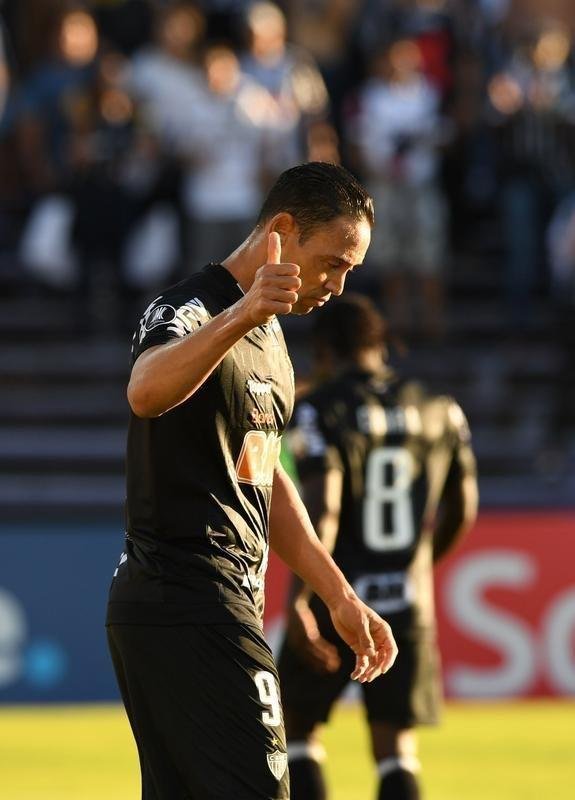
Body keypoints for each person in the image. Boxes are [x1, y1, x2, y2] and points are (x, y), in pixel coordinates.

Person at [106, 162, 398, 800]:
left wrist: (337, 596)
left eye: (350, 270)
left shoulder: (272, 341)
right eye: (332, 262)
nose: (338, 286)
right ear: (284, 230)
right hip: (182, 594)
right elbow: (145, 391)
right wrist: (241, 315)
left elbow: (263, 482)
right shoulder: (190, 306)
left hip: (219, 599)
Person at [277, 293, 478, 800]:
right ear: (381, 342)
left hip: (336, 596)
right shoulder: (441, 409)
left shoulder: (319, 410)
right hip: (406, 603)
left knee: (295, 732)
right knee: (395, 747)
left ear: (325, 349)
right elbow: (463, 507)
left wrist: (301, 598)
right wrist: (421, 565)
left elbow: (326, 509)